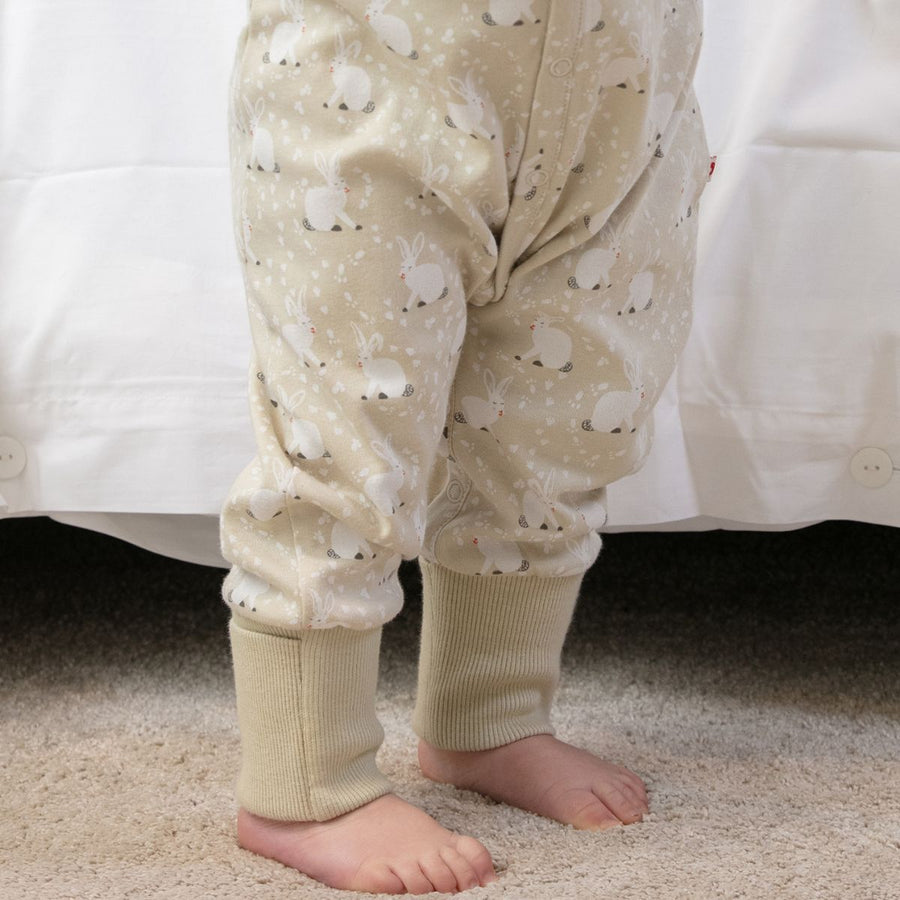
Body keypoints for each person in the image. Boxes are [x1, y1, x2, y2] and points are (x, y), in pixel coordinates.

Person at [220, 0, 709, 893]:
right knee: (347, 425)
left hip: (622, 91)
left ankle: (491, 712)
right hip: (372, 85)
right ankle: (305, 779)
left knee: (565, 414)